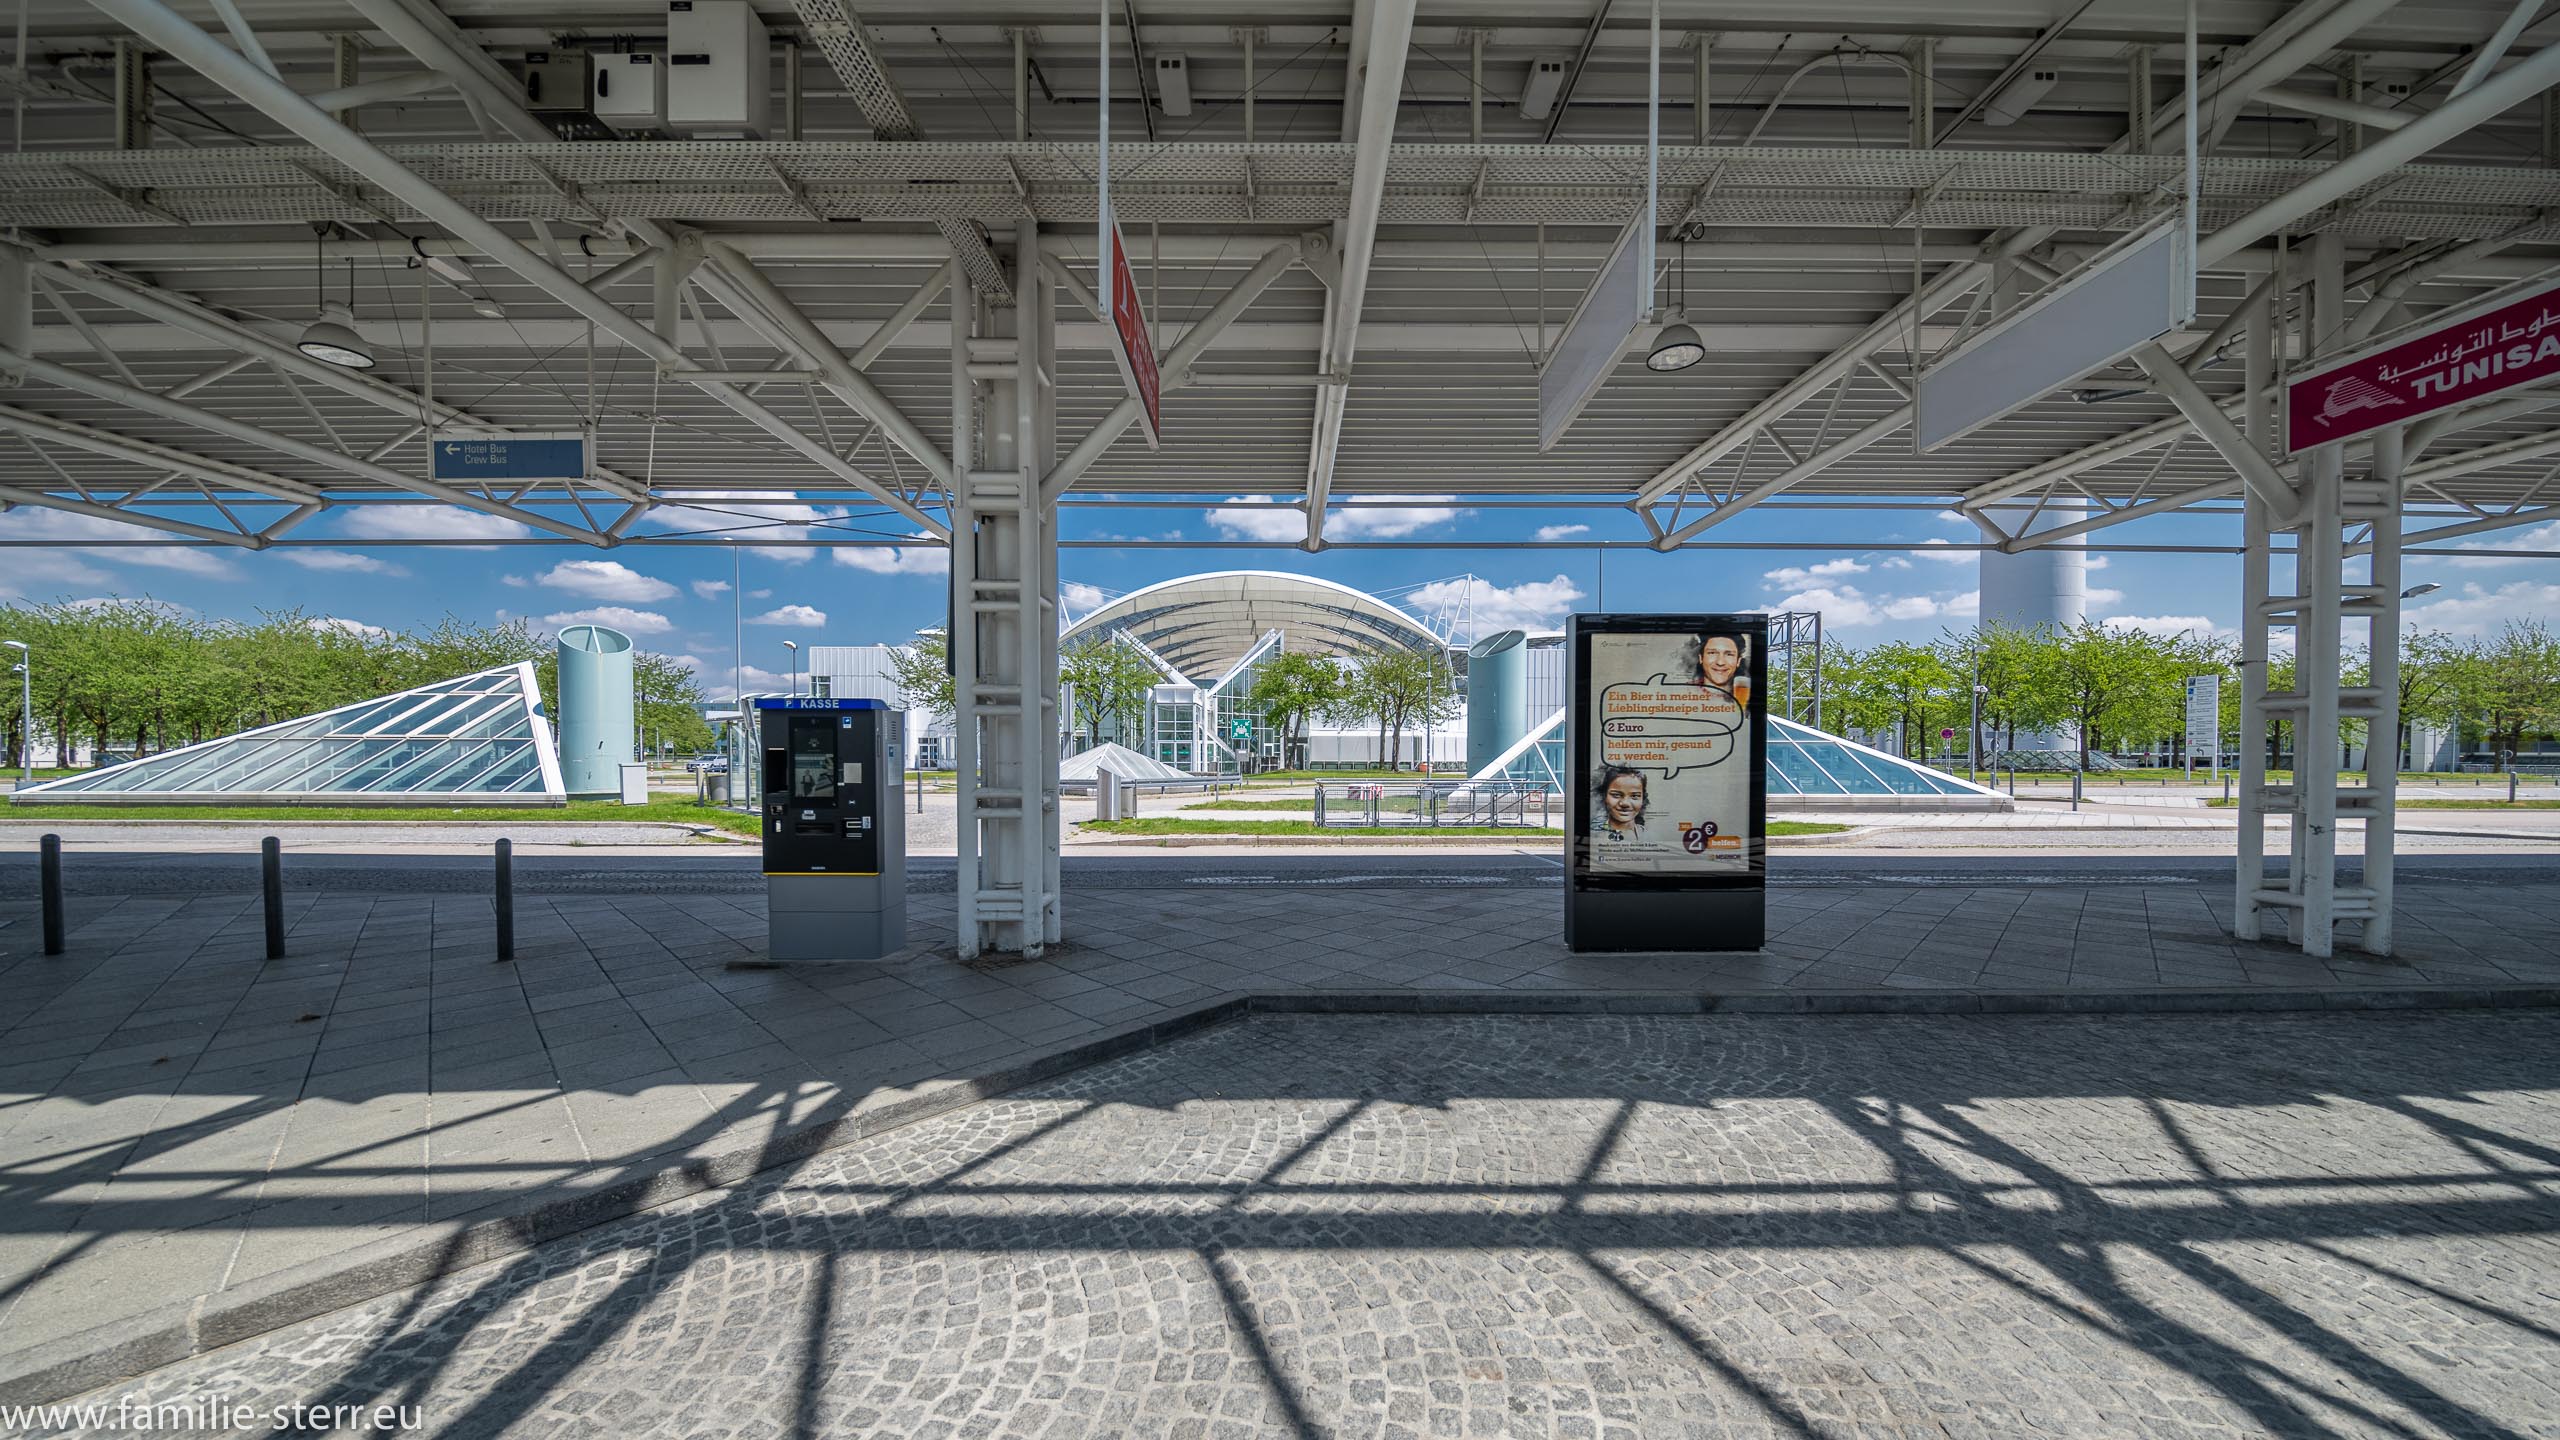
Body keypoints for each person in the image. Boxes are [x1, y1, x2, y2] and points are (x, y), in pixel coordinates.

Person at [1593, 764, 1648, 841]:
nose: (1625, 803)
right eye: (1616, 795)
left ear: (1643, 799)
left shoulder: (1649, 836)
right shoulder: (1594, 836)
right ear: (1604, 796)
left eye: (1634, 796)